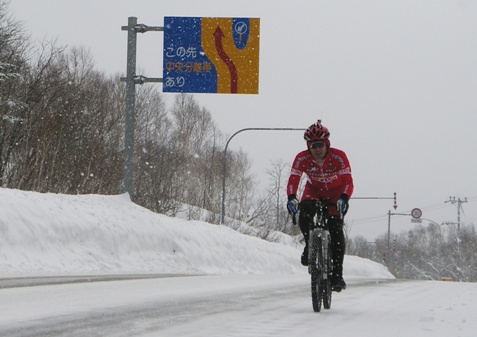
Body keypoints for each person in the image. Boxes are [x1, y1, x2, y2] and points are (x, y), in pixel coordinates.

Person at [286, 120, 353, 292]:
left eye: (320, 145)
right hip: (314, 190)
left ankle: (337, 275)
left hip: (335, 193)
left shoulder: (339, 156)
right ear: (308, 145)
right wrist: (292, 198)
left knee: (336, 229)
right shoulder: (302, 158)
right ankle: (310, 245)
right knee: (304, 211)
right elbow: (294, 180)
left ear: (327, 143)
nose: (316, 149)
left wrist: (344, 198)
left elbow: (348, 181)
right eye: (312, 145)